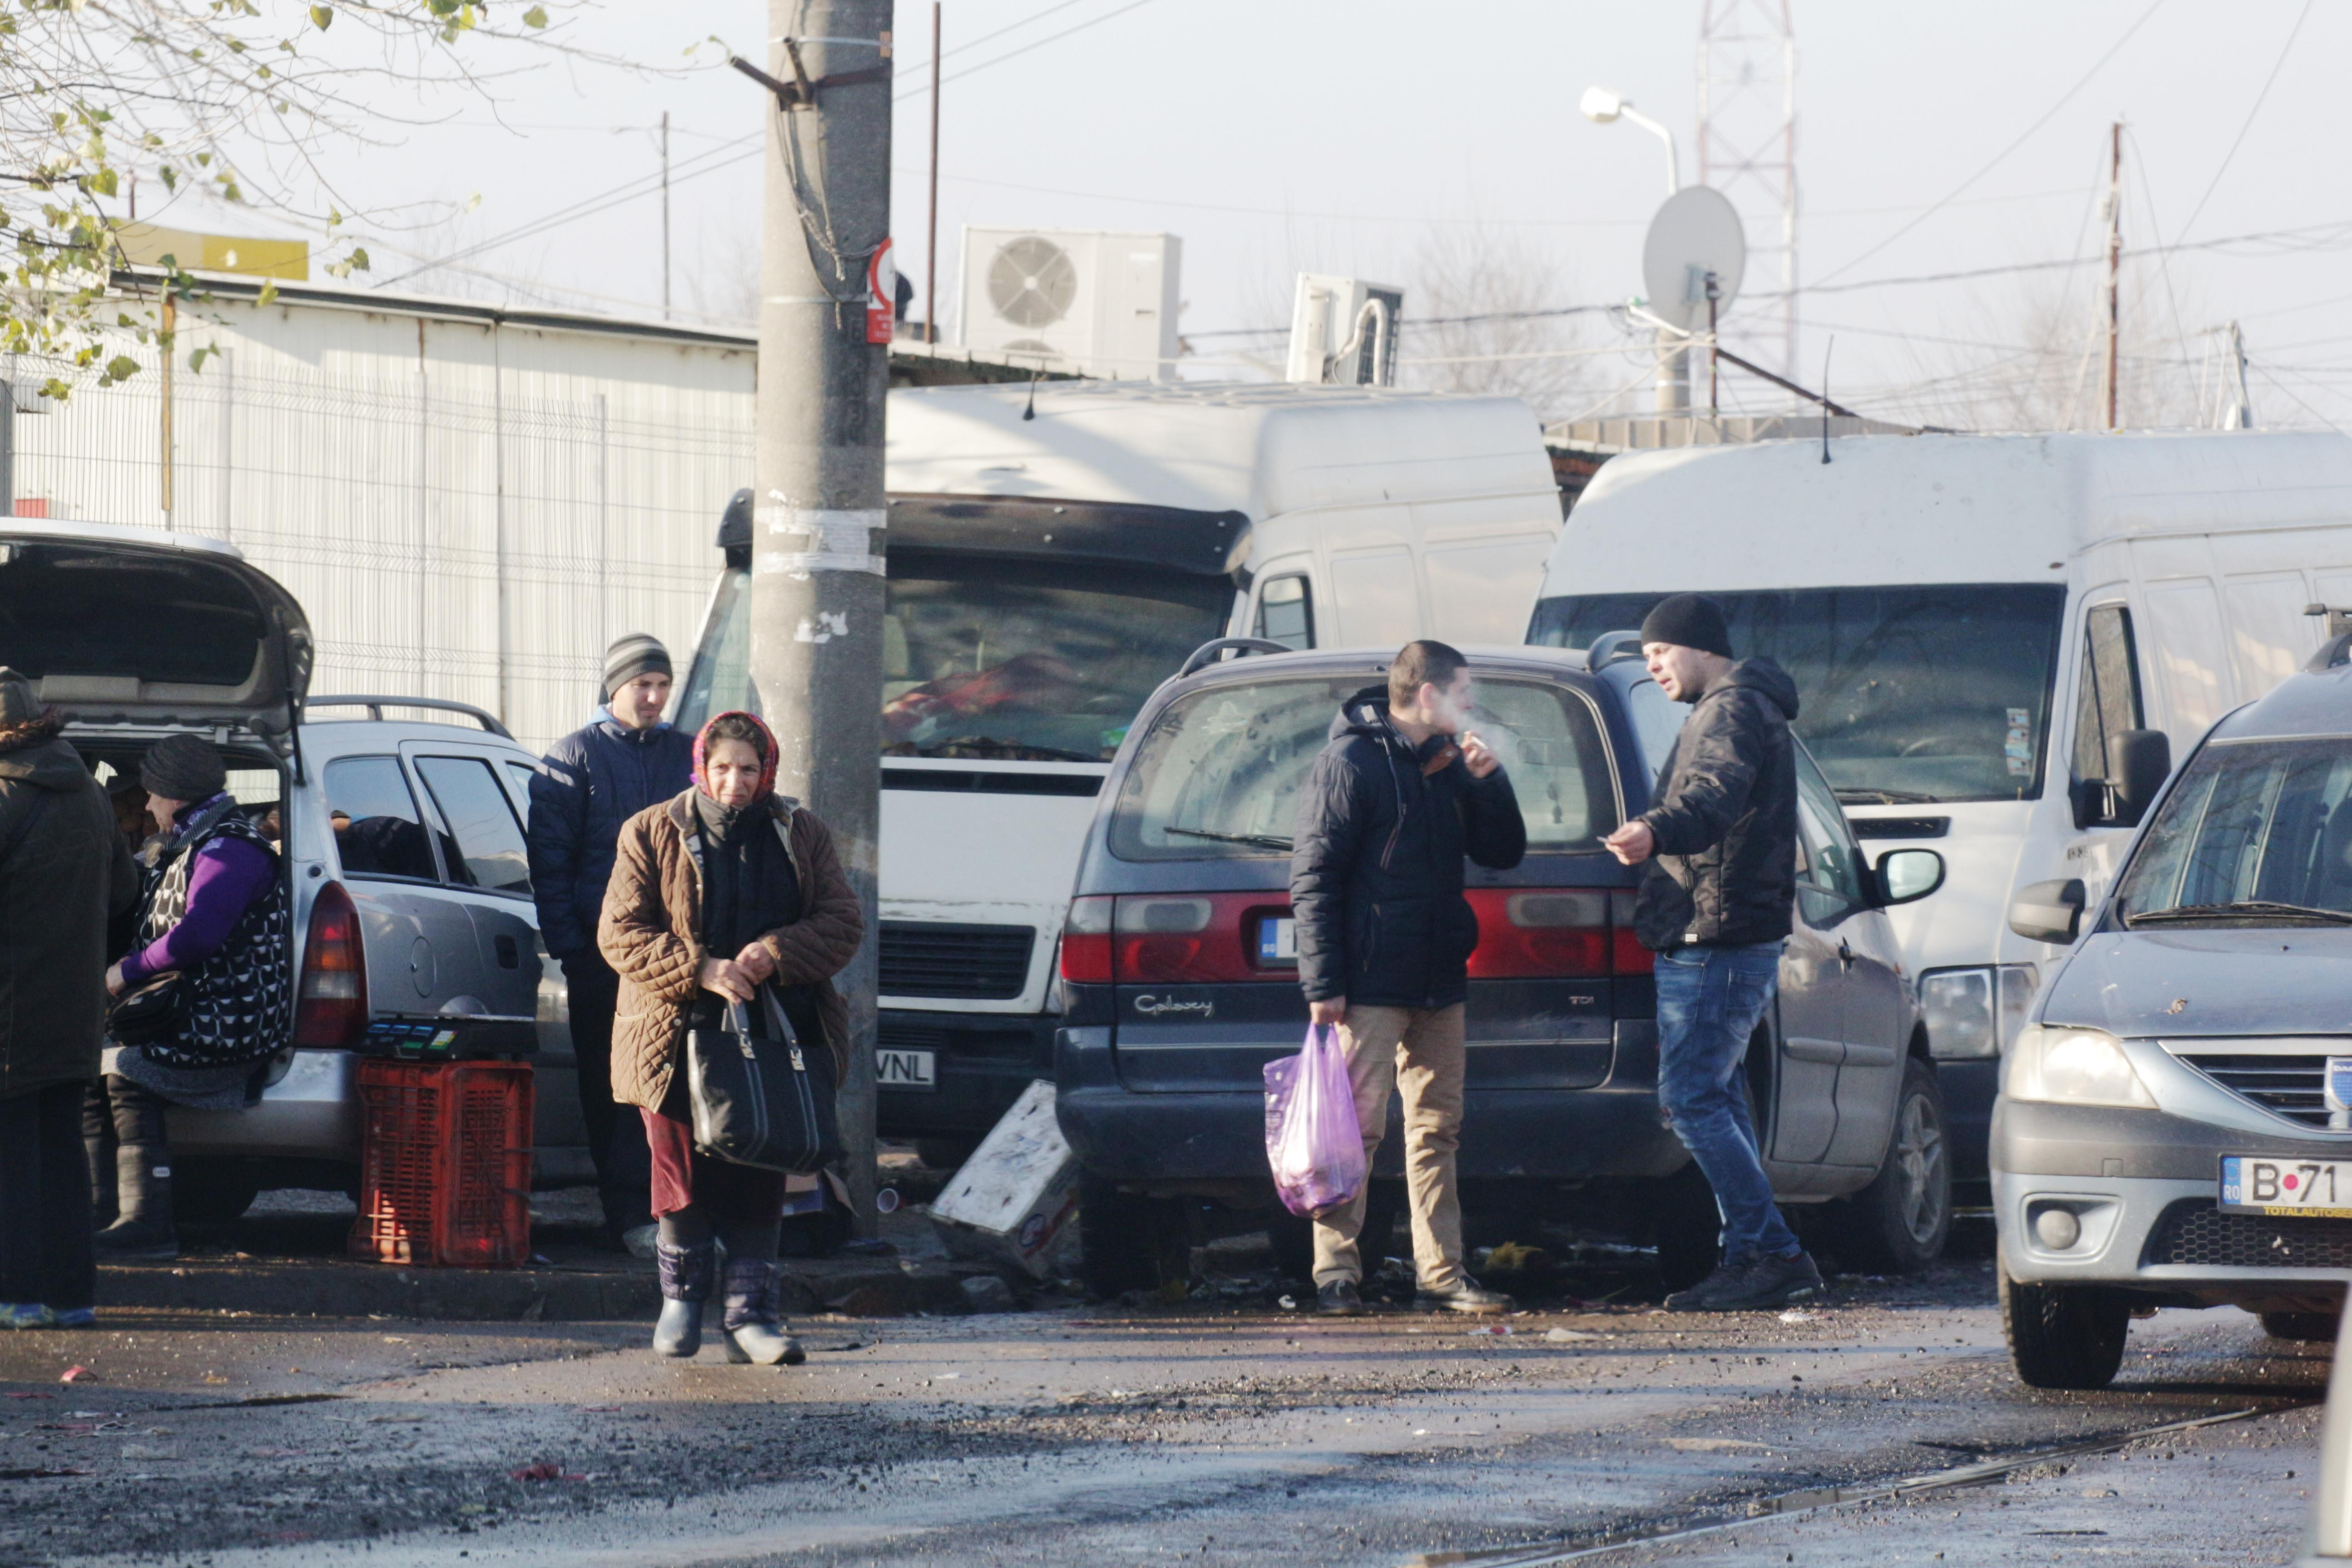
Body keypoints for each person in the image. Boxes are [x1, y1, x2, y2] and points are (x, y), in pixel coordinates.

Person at [598, 711, 862, 1365]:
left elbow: (841, 922)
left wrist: (776, 953)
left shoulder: (802, 834)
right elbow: (619, 933)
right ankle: (682, 1303)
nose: (735, 783)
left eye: (748, 769)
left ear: (767, 770)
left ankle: (752, 1316)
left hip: (775, 1034)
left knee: (761, 1166)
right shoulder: (653, 830)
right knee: (680, 1171)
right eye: (722, 769)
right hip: (672, 1034)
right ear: (702, 768)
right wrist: (701, 969)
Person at [1290, 640, 1528, 1317]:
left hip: (1438, 978)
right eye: (1463, 690)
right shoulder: (1350, 762)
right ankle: (1335, 1274)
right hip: (1367, 980)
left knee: (1436, 1129)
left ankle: (1442, 1275)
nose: (1471, 703)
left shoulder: (1447, 764)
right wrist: (1323, 984)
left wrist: (1490, 781)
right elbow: (1314, 876)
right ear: (1428, 694)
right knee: (1353, 1132)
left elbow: (1502, 852)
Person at [1602, 593, 1823, 1313]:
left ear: (1699, 647)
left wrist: (1654, 830)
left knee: (1691, 1098)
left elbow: (1716, 794)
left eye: (1660, 653)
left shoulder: (1729, 711)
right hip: (1720, 931)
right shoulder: (1740, 705)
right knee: (1721, 1096)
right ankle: (1748, 1256)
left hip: (1716, 935)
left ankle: (1775, 1253)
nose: (1654, 667)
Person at [94, 734, 294, 1258]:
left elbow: (199, 935)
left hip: (228, 1025)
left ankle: (147, 1226)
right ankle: (96, 1219)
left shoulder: (229, 849)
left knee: (126, 1074)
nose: (149, 806)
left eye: (152, 794)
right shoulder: (191, 842)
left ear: (176, 794)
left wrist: (125, 972)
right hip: (198, 1010)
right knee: (90, 1075)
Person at [527, 633, 695, 1254]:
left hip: (679, 958)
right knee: (615, 1089)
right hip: (602, 958)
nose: (652, 697)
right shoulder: (575, 757)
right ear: (613, 688)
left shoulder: (689, 754)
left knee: (678, 1087)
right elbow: (550, 864)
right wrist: (574, 949)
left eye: (661, 685)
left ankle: (681, 1214)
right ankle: (628, 1215)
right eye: (641, 685)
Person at [0, 670, 139, 1327]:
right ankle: (73, 1297)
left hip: (8, 1006)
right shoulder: (87, 791)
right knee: (62, 1149)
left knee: (10, 1155)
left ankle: (16, 1297)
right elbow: (123, 895)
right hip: (75, 1005)